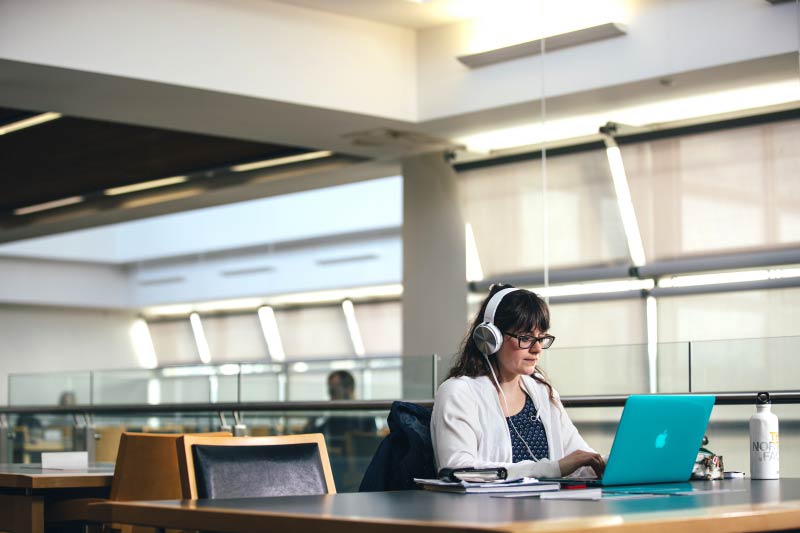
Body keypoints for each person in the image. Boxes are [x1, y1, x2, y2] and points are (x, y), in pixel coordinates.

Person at [431, 284, 605, 480]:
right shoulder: (459, 392)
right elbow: (458, 469)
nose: (537, 348)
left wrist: (608, 464)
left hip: (548, 508)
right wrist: (551, 469)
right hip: (486, 509)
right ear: (490, 338)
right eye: (525, 338)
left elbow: (579, 460)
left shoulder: (541, 390)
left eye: (541, 338)